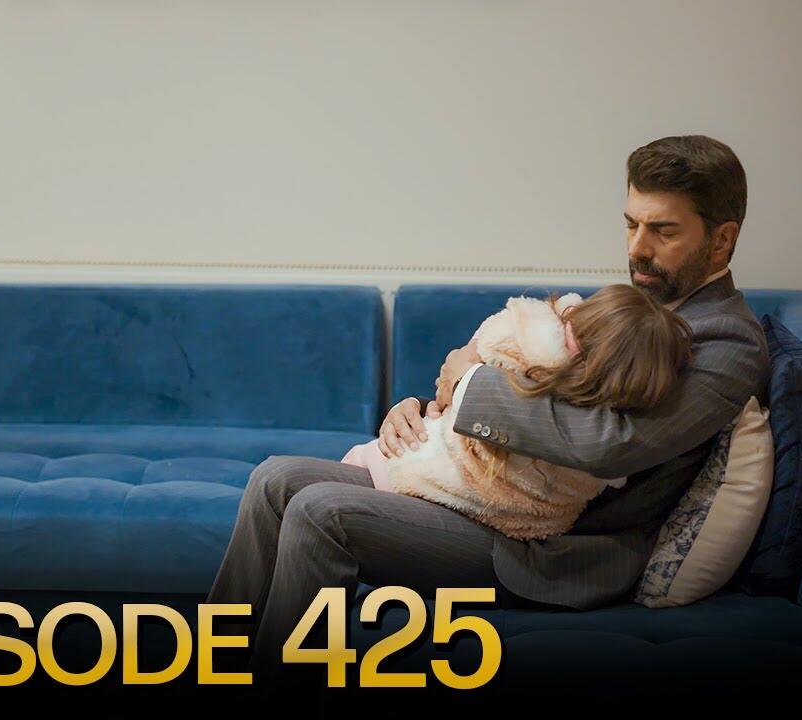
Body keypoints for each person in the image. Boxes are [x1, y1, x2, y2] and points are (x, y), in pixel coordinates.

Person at [205, 135, 769, 685]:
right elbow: (540, 377)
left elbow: (609, 444)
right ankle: (219, 669)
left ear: (721, 240)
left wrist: (469, 382)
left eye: (663, 230)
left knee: (321, 511)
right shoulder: (636, 302)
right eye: (631, 224)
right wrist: (423, 410)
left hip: (550, 547)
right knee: (276, 479)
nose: (637, 248)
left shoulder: (728, 340)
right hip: (484, 493)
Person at [341, 284, 694, 541]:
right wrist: (415, 405)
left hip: (464, 513)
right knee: (307, 487)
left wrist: (463, 380)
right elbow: (447, 401)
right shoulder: (524, 355)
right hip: (414, 461)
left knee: (321, 505)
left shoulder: (598, 433)